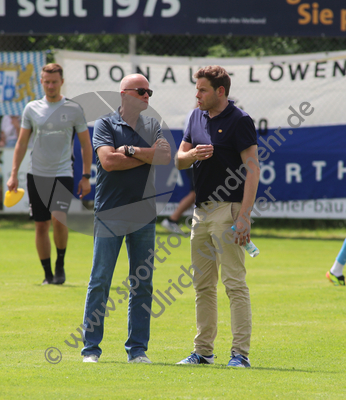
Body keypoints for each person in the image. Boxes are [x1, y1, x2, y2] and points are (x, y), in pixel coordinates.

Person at [81, 73, 171, 364]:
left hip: (144, 214)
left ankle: (137, 350)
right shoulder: (106, 124)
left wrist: (131, 151)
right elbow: (108, 161)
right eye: (141, 91)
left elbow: (164, 158)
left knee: (142, 284)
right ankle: (91, 350)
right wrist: (147, 155)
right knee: (100, 281)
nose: (147, 96)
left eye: (149, 92)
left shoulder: (153, 124)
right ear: (124, 94)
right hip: (111, 213)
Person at [175, 65, 260, 368]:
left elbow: (253, 168)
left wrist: (245, 217)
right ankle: (203, 352)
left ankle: (240, 355)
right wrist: (192, 154)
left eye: (202, 89)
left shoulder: (240, 121)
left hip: (230, 210)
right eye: (196, 89)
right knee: (203, 285)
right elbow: (179, 160)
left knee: (234, 284)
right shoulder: (195, 116)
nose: (196, 94)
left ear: (220, 91)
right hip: (201, 212)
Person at [7, 63, 92, 285]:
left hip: (63, 173)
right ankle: (47, 274)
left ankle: (60, 265)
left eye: (54, 81)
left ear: (62, 82)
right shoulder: (31, 108)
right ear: (41, 82)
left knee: (59, 218)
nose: (51, 85)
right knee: (41, 224)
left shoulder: (73, 109)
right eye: (47, 81)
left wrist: (85, 176)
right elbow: (22, 143)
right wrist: (13, 173)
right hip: (36, 175)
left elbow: (85, 144)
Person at [161, 107, 196, 234]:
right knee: (196, 193)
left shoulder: (195, 114)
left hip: (193, 160)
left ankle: (173, 220)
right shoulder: (195, 114)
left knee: (197, 194)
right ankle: (172, 219)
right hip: (194, 161)